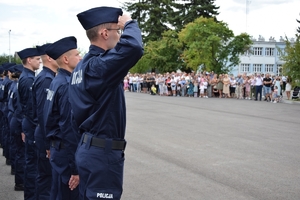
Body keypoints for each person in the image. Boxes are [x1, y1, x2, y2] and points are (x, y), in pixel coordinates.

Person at [69, 7, 143, 200]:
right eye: (117, 31)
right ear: (104, 33)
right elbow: (133, 47)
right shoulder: (98, 66)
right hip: (101, 155)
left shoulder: (81, 68)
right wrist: (128, 23)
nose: (119, 35)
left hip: (88, 149)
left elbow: (73, 117)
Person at [44, 36, 82, 200]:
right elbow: (68, 127)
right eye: (77, 54)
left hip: (58, 150)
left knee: (58, 194)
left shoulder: (56, 81)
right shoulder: (66, 85)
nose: (80, 57)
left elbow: (48, 118)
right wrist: (75, 168)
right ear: (66, 59)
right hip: (66, 153)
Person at [32, 43, 58, 199]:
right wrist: (49, 143)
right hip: (44, 134)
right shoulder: (46, 79)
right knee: (46, 180)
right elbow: (44, 114)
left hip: (42, 133)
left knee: (45, 178)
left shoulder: (45, 77)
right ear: (49, 57)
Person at [17, 47, 41, 200]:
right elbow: (31, 108)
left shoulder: (27, 77)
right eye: (38, 59)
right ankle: (31, 196)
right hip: (31, 125)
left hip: (28, 124)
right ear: (29, 60)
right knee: (32, 163)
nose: (40, 61)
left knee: (31, 162)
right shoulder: (28, 80)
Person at [8, 64, 25, 191]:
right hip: (17, 118)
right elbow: (20, 108)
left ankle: (16, 173)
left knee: (18, 149)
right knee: (21, 153)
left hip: (11, 116)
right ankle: (20, 182)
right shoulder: (18, 86)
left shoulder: (14, 85)